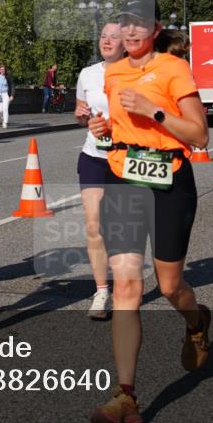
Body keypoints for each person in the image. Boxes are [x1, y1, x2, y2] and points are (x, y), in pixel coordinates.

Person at [86, 0, 210, 423]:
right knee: (126, 288)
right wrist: (102, 129)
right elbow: (115, 125)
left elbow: (199, 135)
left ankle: (195, 321)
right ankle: (126, 395)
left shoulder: (174, 68)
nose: (132, 33)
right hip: (124, 176)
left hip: (170, 180)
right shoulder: (113, 71)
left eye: (140, 26)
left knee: (170, 285)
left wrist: (154, 111)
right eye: (125, 26)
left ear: (155, 29)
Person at [74, 22, 124, 321]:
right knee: (94, 226)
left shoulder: (137, 72)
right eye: (103, 36)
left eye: (113, 37)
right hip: (93, 156)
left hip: (126, 158)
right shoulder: (88, 73)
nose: (106, 41)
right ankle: (102, 290)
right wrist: (81, 117)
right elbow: (81, 113)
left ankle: (126, 284)